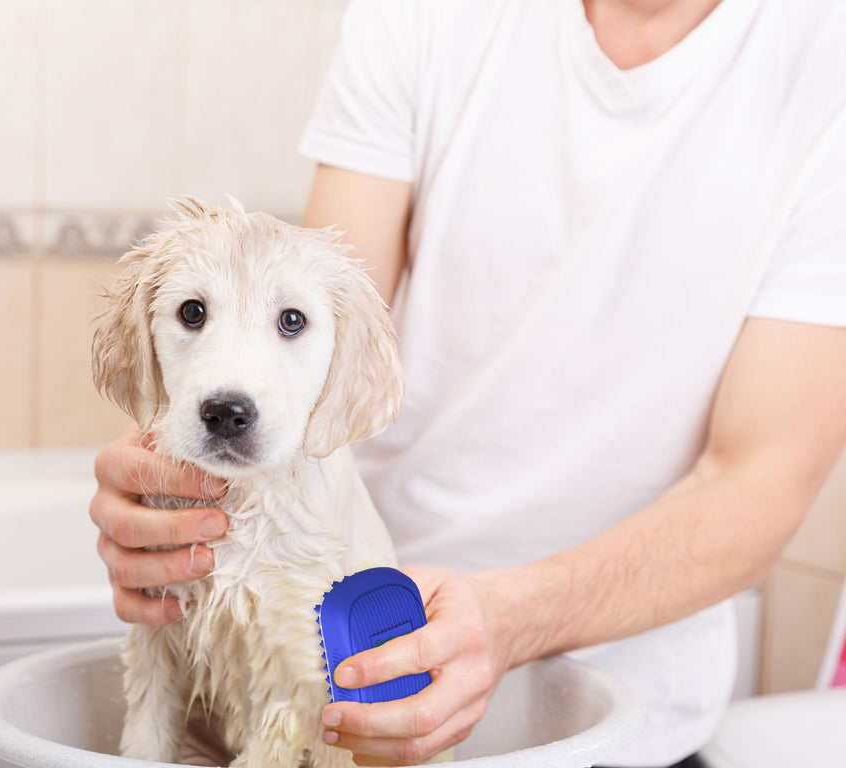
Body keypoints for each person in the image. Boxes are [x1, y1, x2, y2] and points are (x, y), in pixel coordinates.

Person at [89, 0, 846, 765]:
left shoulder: (824, 62)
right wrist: (165, 478)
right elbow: (317, 330)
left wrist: (510, 617)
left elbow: (761, 479)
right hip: (362, 644)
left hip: (626, 709)